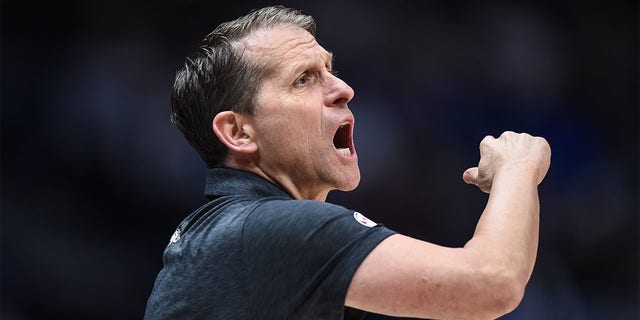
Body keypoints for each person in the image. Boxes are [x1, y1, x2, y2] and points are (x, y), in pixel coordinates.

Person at [144, 5, 551, 320]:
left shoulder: (235, 237)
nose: (343, 89)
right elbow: (492, 283)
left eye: (330, 70)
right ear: (239, 133)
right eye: (303, 78)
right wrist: (518, 166)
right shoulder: (267, 229)